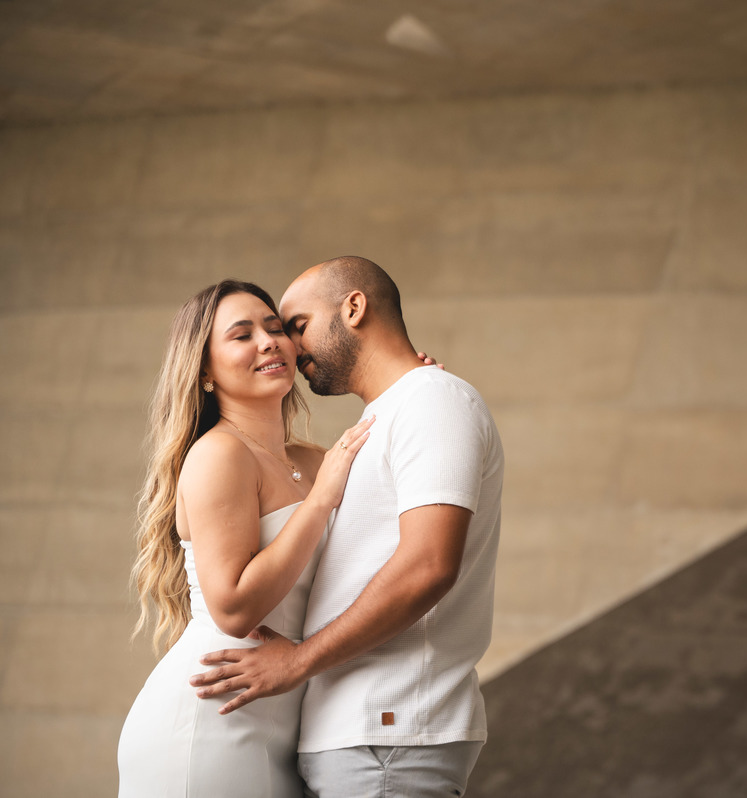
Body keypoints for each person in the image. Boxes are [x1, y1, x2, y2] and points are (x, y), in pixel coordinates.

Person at [190, 256, 504, 798]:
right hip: (356, 737)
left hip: (389, 731)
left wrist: (297, 664)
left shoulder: (432, 401)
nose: (287, 345)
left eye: (296, 326)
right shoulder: (391, 415)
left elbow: (428, 567)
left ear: (353, 308)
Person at [117, 279, 439, 796]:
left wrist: (419, 391)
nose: (269, 342)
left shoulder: (316, 460)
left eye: (275, 328)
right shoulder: (219, 455)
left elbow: (400, 456)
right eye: (241, 335)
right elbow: (235, 609)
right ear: (203, 371)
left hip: (287, 718)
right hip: (215, 714)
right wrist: (317, 503)